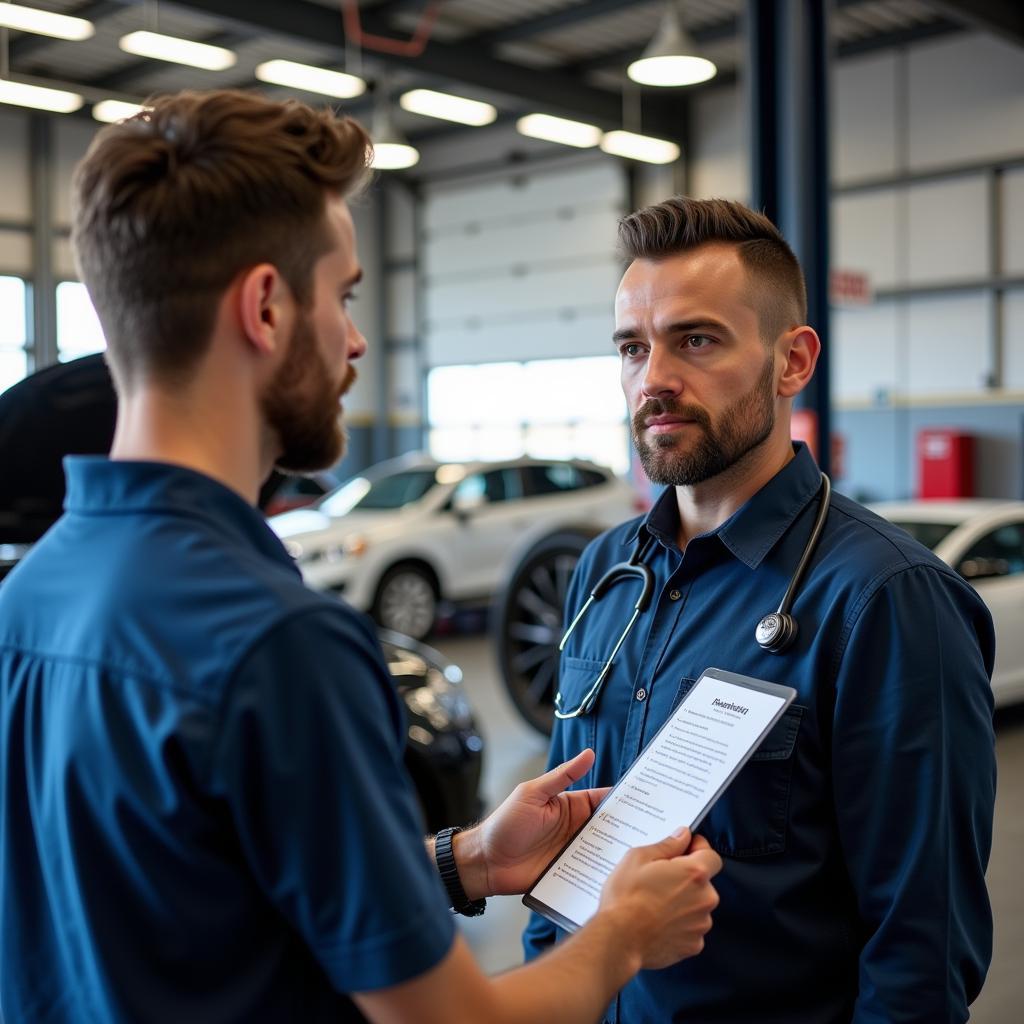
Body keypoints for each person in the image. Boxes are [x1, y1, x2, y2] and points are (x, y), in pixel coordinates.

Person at [0, 92, 723, 1024]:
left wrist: (465, 861)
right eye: (341, 296)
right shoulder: (280, 644)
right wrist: (622, 933)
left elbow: (182, 909)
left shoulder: (31, 595)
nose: (356, 341)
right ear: (265, 306)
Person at [523, 196, 997, 1023]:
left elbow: (921, 948)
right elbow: (568, 861)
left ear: (793, 361)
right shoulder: (606, 572)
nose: (654, 379)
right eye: (633, 348)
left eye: (695, 340)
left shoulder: (884, 600)